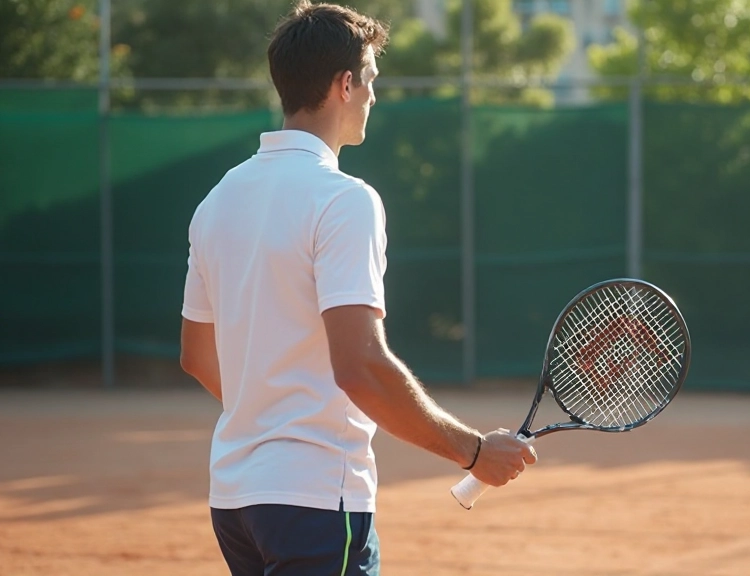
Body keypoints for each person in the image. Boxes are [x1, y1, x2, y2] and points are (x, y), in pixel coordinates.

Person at [178, 3, 537, 575]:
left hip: (235, 502)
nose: (374, 95)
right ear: (345, 85)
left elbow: (197, 356)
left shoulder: (217, 200)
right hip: (316, 500)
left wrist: (273, 415)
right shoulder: (345, 200)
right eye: (370, 80)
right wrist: (474, 451)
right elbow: (360, 365)